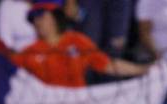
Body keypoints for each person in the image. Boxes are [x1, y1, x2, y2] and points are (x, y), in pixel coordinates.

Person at [13, 0, 148, 88]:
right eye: (33, 19)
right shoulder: (29, 51)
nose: (37, 22)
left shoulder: (77, 41)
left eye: (42, 16)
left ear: (55, 17)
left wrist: (143, 70)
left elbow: (108, 65)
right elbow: (10, 74)